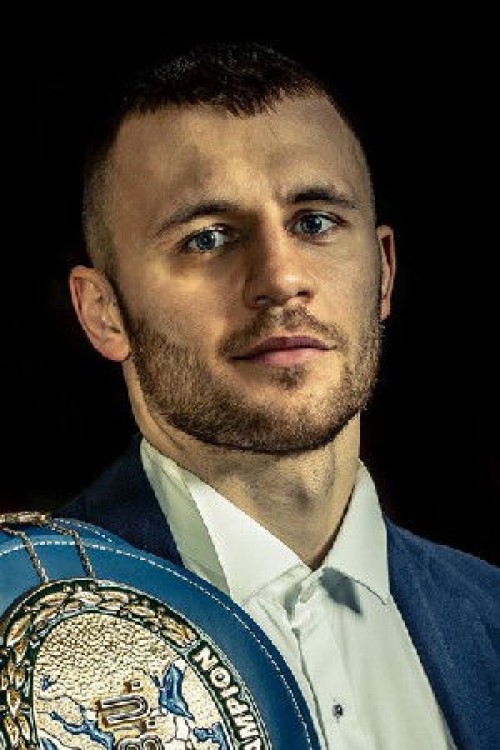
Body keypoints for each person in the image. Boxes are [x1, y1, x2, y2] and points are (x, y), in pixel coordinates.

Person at [56, 41, 500, 750]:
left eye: (315, 222)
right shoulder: (21, 612)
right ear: (104, 313)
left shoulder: (490, 616)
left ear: (383, 273)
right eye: (208, 238)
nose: (282, 278)